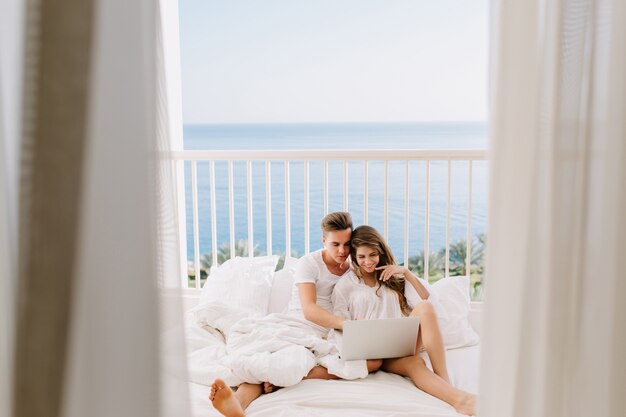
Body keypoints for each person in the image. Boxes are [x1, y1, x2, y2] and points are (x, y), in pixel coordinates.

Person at [210, 212, 381, 417]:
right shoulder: (309, 264)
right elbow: (309, 309)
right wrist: (347, 325)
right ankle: (237, 403)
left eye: (347, 244)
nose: (343, 251)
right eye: (335, 244)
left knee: (373, 362)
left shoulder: (356, 263)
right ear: (324, 240)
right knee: (283, 360)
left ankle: (260, 390)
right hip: (298, 325)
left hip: (331, 332)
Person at [331, 225, 476, 416]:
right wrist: (353, 325)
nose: (368, 262)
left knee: (425, 308)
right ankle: (461, 400)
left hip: (400, 345)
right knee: (416, 364)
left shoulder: (393, 277)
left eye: (373, 255)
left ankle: (444, 380)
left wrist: (406, 273)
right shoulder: (344, 286)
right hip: (373, 354)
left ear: (380, 252)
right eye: (362, 257)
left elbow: (428, 301)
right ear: (354, 258)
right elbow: (338, 324)